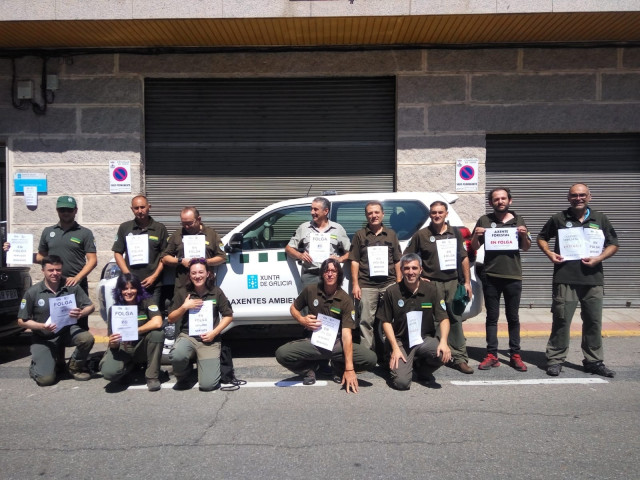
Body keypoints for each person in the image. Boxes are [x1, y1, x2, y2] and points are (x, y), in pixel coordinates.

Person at [537, 183, 619, 377]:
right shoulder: (558, 218)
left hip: (593, 280)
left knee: (593, 322)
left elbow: (613, 244)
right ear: (568, 198)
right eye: (574, 195)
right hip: (565, 278)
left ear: (589, 196)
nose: (578, 198)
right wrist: (549, 253)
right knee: (561, 320)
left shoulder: (600, 219)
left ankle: (594, 361)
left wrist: (599, 258)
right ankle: (555, 359)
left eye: (582, 195)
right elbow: (541, 237)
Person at [275, 258, 377, 392]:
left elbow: (347, 335)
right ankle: (309, 369)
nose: (330, 274)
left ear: (338, 275)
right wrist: (302, 319)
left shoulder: (345, 300)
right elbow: (293, 308)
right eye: (326, 271)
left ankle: (338, 367)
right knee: (282, 353)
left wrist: (349, 368)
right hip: (313, 342)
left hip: (336, 344)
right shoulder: (310, 291)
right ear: (322, 274)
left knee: (370, 358)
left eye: (333, 271)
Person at [403, 201, 474, 374]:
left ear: (446, 214)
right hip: (431, 283)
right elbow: (407, 256)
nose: (437, 215)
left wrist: (467, 282)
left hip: (452, 282)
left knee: (455, 318)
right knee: (432, 320)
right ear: (430, 214)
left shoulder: (455, 233)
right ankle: (435, 354)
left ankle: (459, 358)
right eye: (433, 212)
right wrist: (420, 276)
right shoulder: (422, 235)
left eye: (440, 212)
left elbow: (463, 257)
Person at [471, 187, 531, 372]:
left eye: (503, 198)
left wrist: (523, 235)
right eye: (496, 199)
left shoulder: (518, 220)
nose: (500, 201)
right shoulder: (484, 220)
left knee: (513, 317)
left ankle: (515, 355)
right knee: (492, 317)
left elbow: (527, 247)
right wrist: (476, 235)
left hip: (513, 275)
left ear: (510, 201)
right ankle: (491, 355)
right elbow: (473, 246)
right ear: (491, 202)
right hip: (491, 275)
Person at [376, 253, 451, 390]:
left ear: (420, 270)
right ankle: (392, 360)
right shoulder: (392, 292)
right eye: (407, 268)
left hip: (423, 339)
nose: (411, 272)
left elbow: (444, 318)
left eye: (414, 268)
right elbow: (385, 322)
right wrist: (395, 348)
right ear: (401, 270)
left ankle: (421, 370)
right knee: (402, 383)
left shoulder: (431, 290)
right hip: (401, 342)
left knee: (443, 354)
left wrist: (444, 342)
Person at [17, 255, 95, 386]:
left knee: (87, 338)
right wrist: (42, 326)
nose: (55, 273)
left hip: (66, 331)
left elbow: (91, 306)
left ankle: (74, 367)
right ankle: (37, 364)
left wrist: (80, 313)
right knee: (46, 380)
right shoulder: (33, 292)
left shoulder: (71, 286)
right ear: (43, 270)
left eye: (58, 270)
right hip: (44, 337)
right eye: (51, 270)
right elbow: (21, 321)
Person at [167, 257, 233, 391]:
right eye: (194, 273)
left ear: (208, 273)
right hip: (188, 337)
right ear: (189, 275)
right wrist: (184, 307)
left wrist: (214, 333)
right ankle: (183, 375)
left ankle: (204, 363)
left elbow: (228, 316)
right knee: (177, 355)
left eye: (201, 272)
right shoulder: (183, 292)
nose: (197, 276)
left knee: (208, 385)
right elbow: (171, 318)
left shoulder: (216, 292)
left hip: (209, 339)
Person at [36, 196, 97, 330]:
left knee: (80, 325)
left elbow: (92, 260)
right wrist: (16, 251)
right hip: (54, 285)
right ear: (57, 210)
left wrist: (77, 278)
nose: (66, 212)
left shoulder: (85, 233)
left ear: (75, 210)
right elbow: (41, 257)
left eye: (69, 210)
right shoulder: (48, 232)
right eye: (62, 209)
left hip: (76, 285)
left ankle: (81, 350)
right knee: (55, 325)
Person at [349, 201, 402, 351]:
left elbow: (398, 259)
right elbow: (354, 261)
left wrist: (399, 282)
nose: (374, 216)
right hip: (367, 285)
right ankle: (366, 355)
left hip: (389, 284)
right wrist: (355, 284)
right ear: (366, 216)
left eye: (377, 212)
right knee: (366, 321)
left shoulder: (391, 235)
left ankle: (391, 353)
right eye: (370, 213)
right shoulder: (360, 235)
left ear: (383, 214)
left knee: (390, 320)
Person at [99, 273, 164, 391]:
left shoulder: (147, 302)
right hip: (124, 347)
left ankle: (152, 376)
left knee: (158, 333)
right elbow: (112, 341)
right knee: (109, 373)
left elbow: (158, 322)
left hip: (142, 345)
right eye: (125, 288)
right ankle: (128, 368)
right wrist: (113, 343)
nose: (129, 292)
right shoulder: (114, 309)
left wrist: (135, 330)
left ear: (138, 289)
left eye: (132, 288)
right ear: (119, 290)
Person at [111, 195, 168, 307]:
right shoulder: (125, 227)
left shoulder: (159, 228)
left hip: (153, 284)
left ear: (149, 207)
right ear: (132, 209)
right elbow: (117, 252)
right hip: (130, 285)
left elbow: (165, 256)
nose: (140, 211)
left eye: (142, 207)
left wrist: (154, 276)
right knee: (131, 315)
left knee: (153, 316)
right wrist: (127, 274)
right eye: (136, 208)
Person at [285, 197, 350, 286]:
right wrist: (300, 255)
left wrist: (340, 259)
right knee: (311, 300)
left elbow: (351, 252)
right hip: (310, 275)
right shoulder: (304, 227)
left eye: (315, 210)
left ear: (326, 211)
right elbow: (288, 248)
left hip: (330, 275)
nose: (312, 212)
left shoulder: (338, 229)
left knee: (331, 300)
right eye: (311, 209)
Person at [161, 206, 226, 294]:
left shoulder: (211, 234)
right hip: (183, 286)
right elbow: (165, 258)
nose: (187, 227)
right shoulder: (177, 235)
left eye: (190, 223)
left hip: (206, 286)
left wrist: (205, 262)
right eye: (184, 224)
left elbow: (222, 257)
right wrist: (180, 261)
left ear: (199, 219)